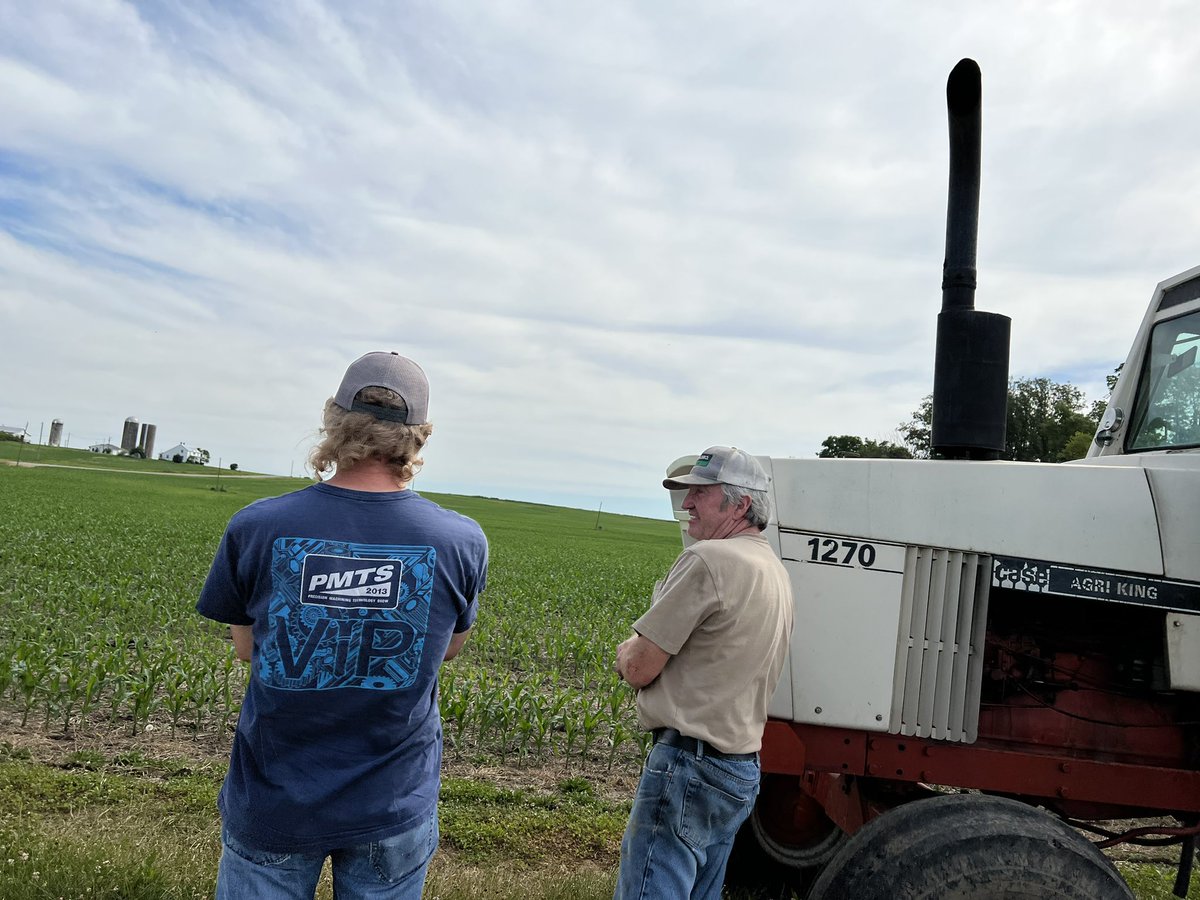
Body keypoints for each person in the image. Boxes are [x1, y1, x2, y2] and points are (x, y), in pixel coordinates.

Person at [197, 351, 488, 900]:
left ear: (333, 419)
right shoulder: (460, 540)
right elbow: (448, 650)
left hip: (275, 794)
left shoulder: (258, 525)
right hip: (393, 800)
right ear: (420, 436)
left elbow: (247, 648)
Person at [613, 445, 794, 900]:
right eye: (686, 492)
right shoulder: (773, 570)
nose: (687, 504)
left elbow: (638, 667)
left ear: (741, 504)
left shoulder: (711, 559)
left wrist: (623, 653)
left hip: (688, 765)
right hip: (739, 768)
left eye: (701, 493)